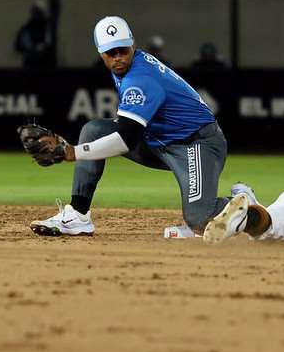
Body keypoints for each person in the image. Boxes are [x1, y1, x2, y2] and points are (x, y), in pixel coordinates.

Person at [29, 16, 230, 237]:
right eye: (111, 52)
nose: (118, 58)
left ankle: (253, 208)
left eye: (123, 50)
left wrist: (71, 152)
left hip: (197, 144)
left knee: (200, 219)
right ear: (100, 53)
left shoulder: (140, 78)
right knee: (93, 131)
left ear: (132, 44)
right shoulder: (128, 68)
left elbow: (126, 140)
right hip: (161, 141)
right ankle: (78, 216)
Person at [14, 0, 55, 69]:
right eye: (35, 12)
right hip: (30, 65)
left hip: (46, 65)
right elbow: (19, 46)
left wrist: (43, 48)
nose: (37, 15)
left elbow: (49, 43)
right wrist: (32, 49)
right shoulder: (26, 29)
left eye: (39, 12)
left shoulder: (48, 28)